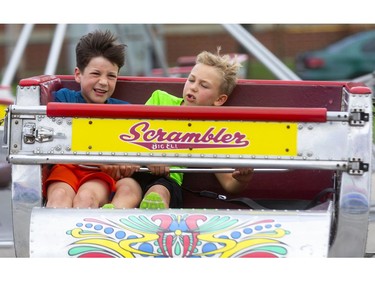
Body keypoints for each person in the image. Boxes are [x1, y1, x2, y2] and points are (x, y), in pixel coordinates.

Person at [102, 47, 254, 210]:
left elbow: (230, 184)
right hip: (138, 170)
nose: (193, 87)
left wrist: (243, 179)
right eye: (191, 80)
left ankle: (156, 217)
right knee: (126, 189)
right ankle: (112, 215)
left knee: (159, 192)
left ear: (219, 99)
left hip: (168, 179)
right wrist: (151, 157)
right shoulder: (160, 99)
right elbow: (130, 134)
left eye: (204, 85)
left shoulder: (210, 131)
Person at [44, 29, 137, 208]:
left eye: (111, 76)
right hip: (67, 167)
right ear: (78, 74)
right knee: (59, 197)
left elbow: (134, 147)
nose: (103, 82)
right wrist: (105, 158)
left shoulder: (123, 110)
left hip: (98, 173)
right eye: (96, 74)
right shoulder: (65, 99)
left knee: (86, 198)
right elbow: (61, 138)